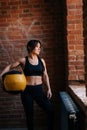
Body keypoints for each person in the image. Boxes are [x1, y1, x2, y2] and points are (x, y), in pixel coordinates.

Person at [0, 40, 54, 130]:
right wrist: (1, 75)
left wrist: (49, 89)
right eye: (37, 46)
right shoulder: (24, 60)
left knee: (50, 111)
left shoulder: (42, 61)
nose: (39, 48)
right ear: (30, 47)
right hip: (27, 91)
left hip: (38, 90)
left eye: (40, 46)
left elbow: (45, 75)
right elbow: (10, 66)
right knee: (29, 114)